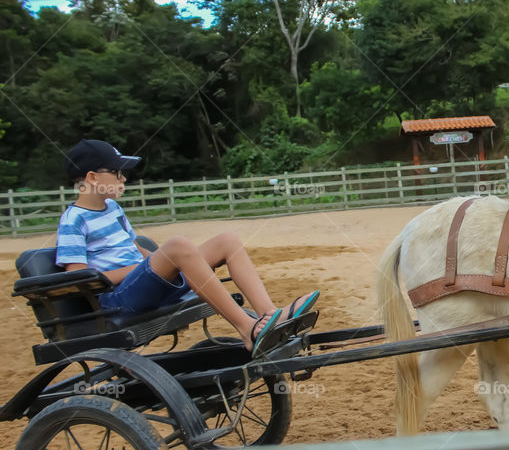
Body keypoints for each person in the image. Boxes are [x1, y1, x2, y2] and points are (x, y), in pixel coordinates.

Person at [55, 139, 319, 356]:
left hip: (141, 285)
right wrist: (143, 266)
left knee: (227, 240)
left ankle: (269, 314)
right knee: (179, 245)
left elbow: (133, 248)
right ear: (92, 177)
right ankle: (247, 329)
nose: (123, 178)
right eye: (116, 172)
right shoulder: (74, 220)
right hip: (117, 300)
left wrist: (154, 261)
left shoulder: (113, 209)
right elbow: (78, 278)